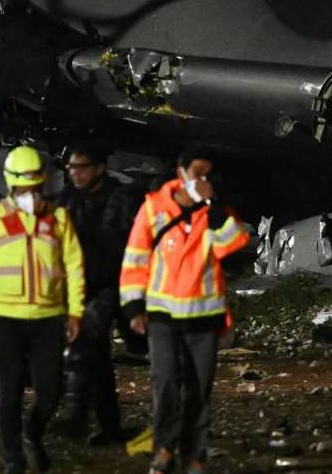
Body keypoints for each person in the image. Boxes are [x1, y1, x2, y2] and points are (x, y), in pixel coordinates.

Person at [120, 150, 249, 474]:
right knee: (164, 382)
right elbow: (134, 259)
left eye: (208, 174)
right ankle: (164, 449)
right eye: (198, 173)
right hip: (162, 313)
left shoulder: (214, 212)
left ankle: (194, 456)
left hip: (204, 315)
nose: (203, 180)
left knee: (198, 389)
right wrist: (134, 307)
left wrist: (213, 206)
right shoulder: (154, 208)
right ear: (181, 171)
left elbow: (233, 243)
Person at [0, 145, 85, 474]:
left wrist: (75, 312)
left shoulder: (58, 220)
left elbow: (74, 267)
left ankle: (32, 432)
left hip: (48, 316)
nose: (30, 190)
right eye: (24, 184)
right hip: (6, 318)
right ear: (12, 183)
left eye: (35, 183)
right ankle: (12, 459)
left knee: (51, 391)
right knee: (11, 390)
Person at [52, 142, 139, 444]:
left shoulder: (121, 198)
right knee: (97, 357)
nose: (74, 173)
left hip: (114, 284)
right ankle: (109, 426)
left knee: (84, 343)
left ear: (99, 168)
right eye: (71, 168)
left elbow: (132, 247)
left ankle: (75, 415)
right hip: (80, 286)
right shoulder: (67, 200)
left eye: (81, 167)